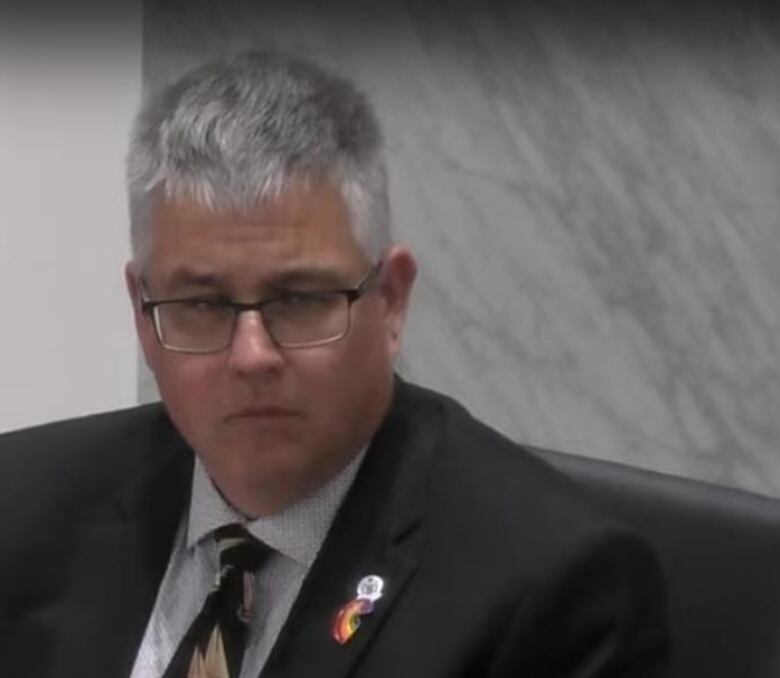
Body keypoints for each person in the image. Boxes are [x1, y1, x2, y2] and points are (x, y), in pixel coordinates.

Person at [0, 51, 668, 677]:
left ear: (392, 299)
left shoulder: (556, 588)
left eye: (301, 300)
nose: (252, 355)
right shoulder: (19, 505)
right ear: (143, 312)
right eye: (201, 304)